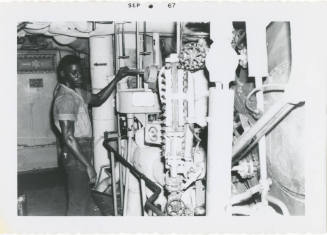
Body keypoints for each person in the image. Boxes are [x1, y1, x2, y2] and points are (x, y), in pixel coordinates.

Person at [52, 55, 135, 215]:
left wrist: (117, 78)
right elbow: (69, 137)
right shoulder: (66, 98)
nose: (79, 75)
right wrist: (88, 166)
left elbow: (97, 99)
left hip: (80, 149)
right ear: (63, 74)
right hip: (75, 151)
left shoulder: (75, 92)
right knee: (78, 202)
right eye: (74, 72)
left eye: (80, 71)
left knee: (83, 198)